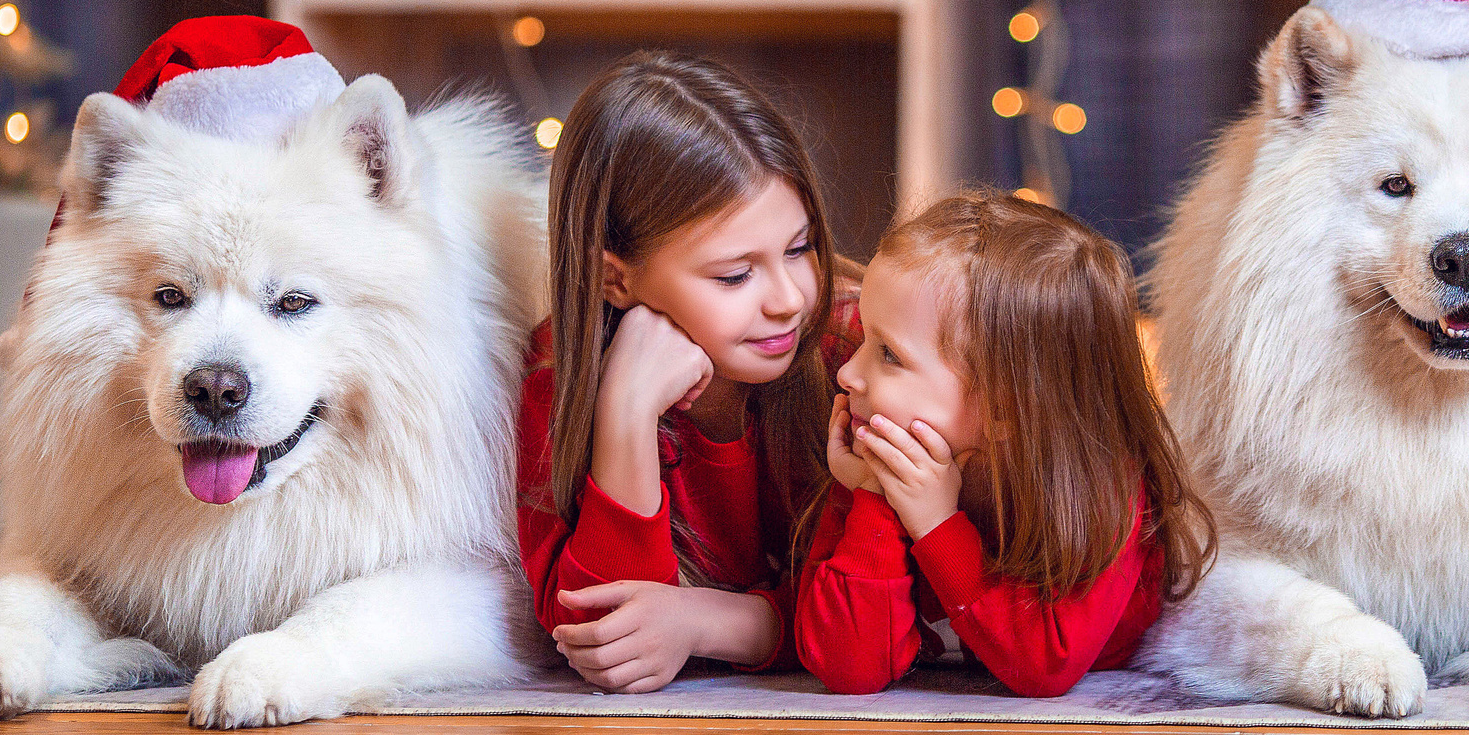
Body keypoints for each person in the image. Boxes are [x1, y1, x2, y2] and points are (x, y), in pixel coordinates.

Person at [517, 52, 854, 692]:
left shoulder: (851, 352)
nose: (788, 297)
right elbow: (602, 636)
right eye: (734, 275)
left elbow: (877, 619)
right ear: (614, 277)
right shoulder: (558, 376)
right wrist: (627, 410)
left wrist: (706, 622)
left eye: (799, 248)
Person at [793, 190, 1215, 697]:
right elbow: (848, 668)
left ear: (1005, 408)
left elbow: (1045, 667)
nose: (845, 373)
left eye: (889, 354)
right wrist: (875, 499)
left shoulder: (1104, 485)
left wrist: (935, 523)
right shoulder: (882, 454)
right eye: (864, 338)